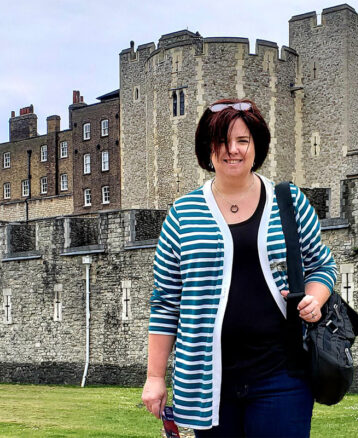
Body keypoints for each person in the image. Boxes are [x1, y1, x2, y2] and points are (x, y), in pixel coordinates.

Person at [141, 98, 337, 437]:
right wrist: (155, 378)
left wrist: (315, 299)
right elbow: (165, 302)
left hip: (283, 375)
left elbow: (322, 266)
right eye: (222, 141)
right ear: (208, 148)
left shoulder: (289, 201)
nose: (232, 150)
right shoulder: (182, 214)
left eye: (242, 140)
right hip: (207, 381)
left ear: (255, 145)